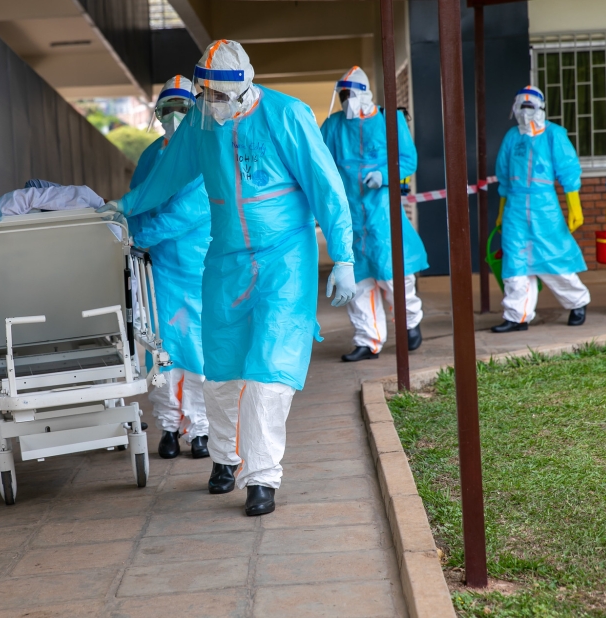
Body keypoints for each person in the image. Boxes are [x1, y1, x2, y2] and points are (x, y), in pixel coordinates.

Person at [100, 40, 356, 517]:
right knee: (220, 373)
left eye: (218, 96)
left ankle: (262, 478)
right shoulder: (201, 120)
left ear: (243, 89)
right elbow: (169, 175)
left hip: (284, 260)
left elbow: (326, 185)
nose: (209, 104)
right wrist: (124, 207)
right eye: (205, 94)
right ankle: (224, 458)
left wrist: (343, 257)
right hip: (225, 261)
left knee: (268, 373)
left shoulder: (287, 115)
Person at [128, 76, 212, 460]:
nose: (175, 117)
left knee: (197, 349)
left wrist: (140, 234)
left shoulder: (205, 152)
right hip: (157, 270)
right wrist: (126, 224)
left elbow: (189, 212)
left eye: (183, 108)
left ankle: (200, 428)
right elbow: (138, 200)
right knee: (160, 350)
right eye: (167, 110)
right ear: (158, 115)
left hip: (197, 267)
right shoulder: (150, 156)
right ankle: (168, 426)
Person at [320, 67, 426, 361]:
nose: (346, 99)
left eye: (350, 93)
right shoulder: (332, 126)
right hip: (350, 216)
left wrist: (384, 174)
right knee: (358, 282)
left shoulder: (389, 120)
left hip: (382, 214)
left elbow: (408, 159)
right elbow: (318, 163)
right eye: (342, 94)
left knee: (394, 276)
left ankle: (410, 325)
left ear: (365, 93)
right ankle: (368, 340)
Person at [492, 85, 590, 333]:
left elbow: (568, 171)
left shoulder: (554, 135)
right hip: (515, 207)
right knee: (514, 263)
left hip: (544, 207)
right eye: (521, 107)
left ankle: (577, 303)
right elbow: (503, 176)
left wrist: (574, 207)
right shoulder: (512, 137)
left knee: (553, 259)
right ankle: (517, 315)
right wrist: (502, 211)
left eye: (530, 107)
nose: (525, 112)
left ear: (540, 108)